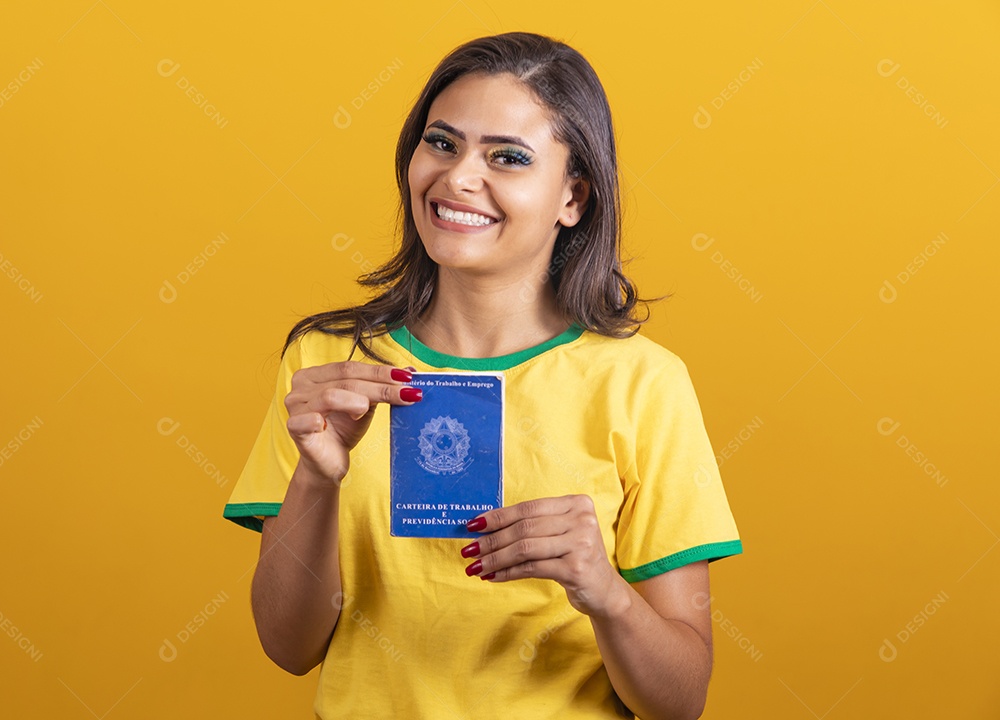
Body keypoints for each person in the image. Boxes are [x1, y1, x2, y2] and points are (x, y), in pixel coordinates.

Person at [224, 31, 743, 720]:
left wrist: (604, 590)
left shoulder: (643, 384)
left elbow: (678, 700)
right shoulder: (328, 362)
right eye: (442, 143)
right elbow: (288, 647)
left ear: (573, 198)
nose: (459, 177)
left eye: (508, 157)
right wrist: (318, 475)